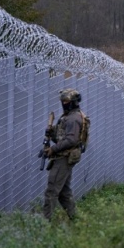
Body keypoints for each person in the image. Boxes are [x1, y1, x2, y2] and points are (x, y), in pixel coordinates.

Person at [43, 88, 84, 220]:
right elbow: (62, 137)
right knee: (64, 193)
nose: (63, 103)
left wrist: (53, 149)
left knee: (52, 191)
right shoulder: (70, 117)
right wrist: (52, 133)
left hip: (63, 158)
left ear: (73, 102)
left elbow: (71, 140)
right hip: (64, 157)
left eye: (66, 101)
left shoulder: (73, 119)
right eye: (63, 101)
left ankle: (44, 223)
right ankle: (77, 220)